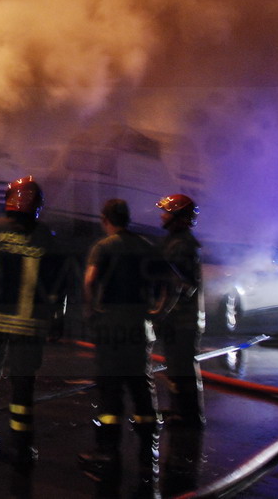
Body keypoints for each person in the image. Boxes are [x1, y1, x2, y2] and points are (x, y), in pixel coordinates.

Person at [0, 176, 67, 467]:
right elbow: (58, 284)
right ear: (37, 206)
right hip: (27, 326)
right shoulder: (46, 236)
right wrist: (57, 318)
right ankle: (22, 447)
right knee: (22, 387)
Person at [79, 198, 170, 482]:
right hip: (140, 326)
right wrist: (158, 312)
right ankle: (148, 454)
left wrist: (91, 311)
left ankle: (107, 453)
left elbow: (90, 281)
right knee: (142, 387)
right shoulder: (147, 246)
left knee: (111, 389)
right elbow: (169, 283)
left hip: (111, 326)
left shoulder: (103, 247)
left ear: (106, 219)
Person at [155, 193, 206, 428]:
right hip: (179, 318)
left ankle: (188, 415)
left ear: (179, 217)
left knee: (182, 368)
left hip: (182, 320)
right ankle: (179, 410)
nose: (162, 216)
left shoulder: (182, 246)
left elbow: (180, 285)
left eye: (167, 213)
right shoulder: (177, 241)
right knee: (176, 367)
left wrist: (161, 312)